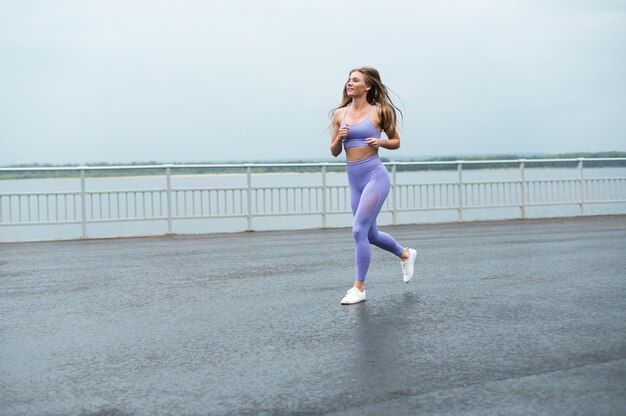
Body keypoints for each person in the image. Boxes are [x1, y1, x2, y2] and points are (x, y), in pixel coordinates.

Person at [330, 66, 417, 305]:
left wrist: (381, 141)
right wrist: (340, 137)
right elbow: (334, 151)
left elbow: (396, 141)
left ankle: (359, 287)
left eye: (355, 80)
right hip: (354, 180)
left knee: (358, 230)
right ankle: (405, 253)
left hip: (374, 177)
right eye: (348, 80)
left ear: (367, 86)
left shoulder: (380, 112)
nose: (349, 83)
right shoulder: (339, 115)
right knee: (370, 234)